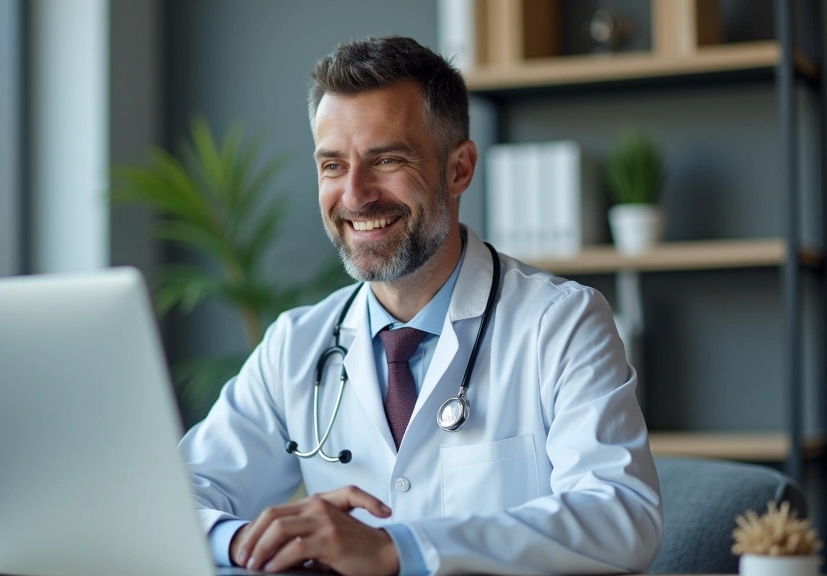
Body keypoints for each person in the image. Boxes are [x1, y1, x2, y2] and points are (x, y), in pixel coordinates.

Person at [179, 35, 662, 576]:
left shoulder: (562, 323)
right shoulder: (297, 344)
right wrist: (247, 539)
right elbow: (176, 499)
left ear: (458, 169)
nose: (356, 195)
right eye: (333, 165)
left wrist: (396, 548)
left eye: (386, 160)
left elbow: (622, 517)